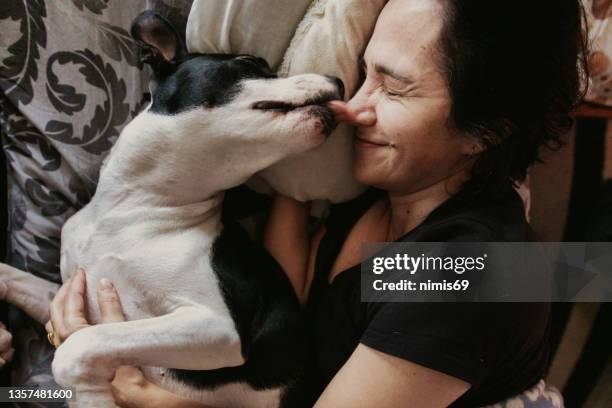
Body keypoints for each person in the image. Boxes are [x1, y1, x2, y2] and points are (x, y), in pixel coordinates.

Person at [47, 0, 587, 406]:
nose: (353, 107)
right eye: (366, 72)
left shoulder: (470, 271)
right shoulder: (379, 187)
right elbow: (295, 311)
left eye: (395, 90)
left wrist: (143, 393)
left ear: (487, 130)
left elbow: (533, 281)